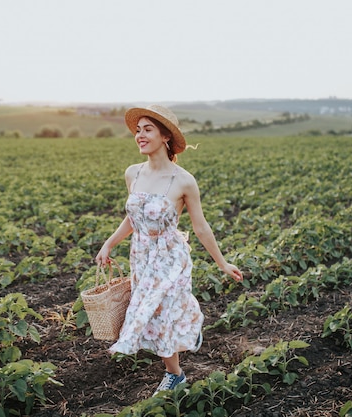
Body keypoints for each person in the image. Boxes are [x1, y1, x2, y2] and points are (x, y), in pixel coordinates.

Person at [95, 104, 243, 395]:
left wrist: (223, 263)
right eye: (138, 131)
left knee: (157, 312)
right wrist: (109, 243)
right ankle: (176, 368)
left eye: (147, 129)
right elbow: (134, 217)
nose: (140, 135)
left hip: (171, 256)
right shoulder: (132, 174)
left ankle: (171, 370)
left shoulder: (184, 180)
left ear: (165, 137)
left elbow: (200, 227)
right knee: (156, 312)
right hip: (141, 255)